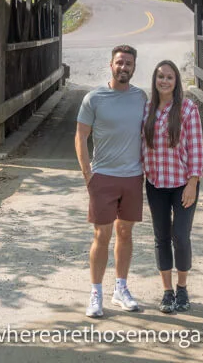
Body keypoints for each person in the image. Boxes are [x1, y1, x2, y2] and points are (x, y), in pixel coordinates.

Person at [75, 44, 148, 318]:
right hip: (103, 176)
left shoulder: (141, 97)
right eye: (119, 62)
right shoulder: (94, 98)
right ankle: (96, 293)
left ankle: (121, 288)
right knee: (101, 235)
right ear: (111, 65)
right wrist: (87, 174)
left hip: (132, 177)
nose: (123, 67)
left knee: (125, 233)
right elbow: (80, 136)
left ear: (134, 67)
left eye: (128, 63)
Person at [142, 59, 203, 314]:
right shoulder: (147, 110)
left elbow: (197, 149)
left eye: (169, 77)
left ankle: (182, 288)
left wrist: (193, 182)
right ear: (154, 81)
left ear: (176, 82)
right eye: (160, 77)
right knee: (161, 237)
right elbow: (140, 146)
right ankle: (167, 291)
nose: (164, 81)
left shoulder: (188, 109)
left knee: (180, 236)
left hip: (182, 184)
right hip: (155, 183)